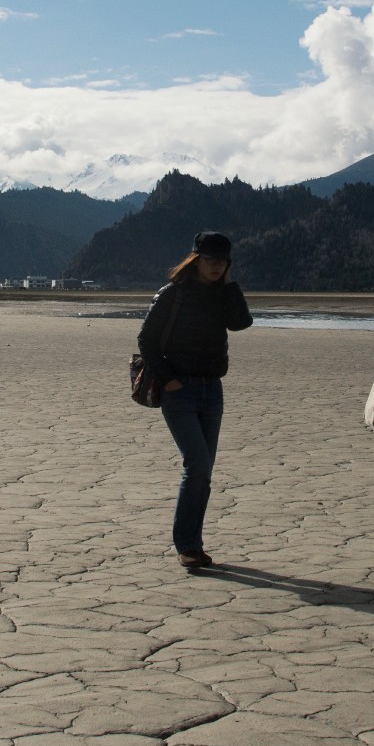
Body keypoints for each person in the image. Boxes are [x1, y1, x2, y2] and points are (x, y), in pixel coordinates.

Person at [137, 231, 253, 568]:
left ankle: (193, 544)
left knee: (203, 470)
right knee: (197, 465)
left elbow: (242, 323)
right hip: (180, 392)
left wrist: (230, 285)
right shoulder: (172, 294)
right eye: (210, 260)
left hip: (211, 390)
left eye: (222, 261)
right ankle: (187, 545)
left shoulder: (222, 294)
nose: (216, 266)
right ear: (195, 259)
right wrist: (168, 380)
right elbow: (146, 339)